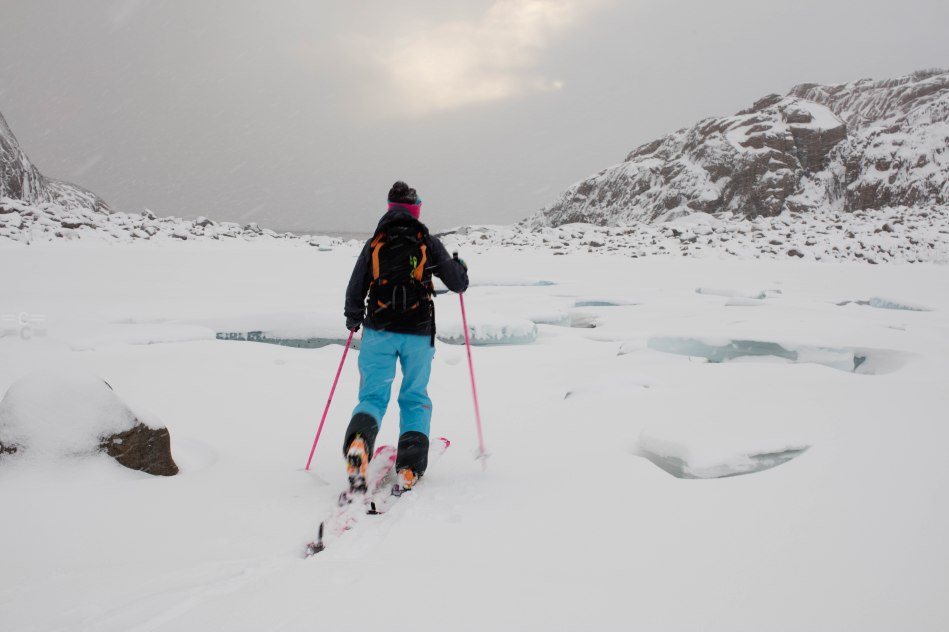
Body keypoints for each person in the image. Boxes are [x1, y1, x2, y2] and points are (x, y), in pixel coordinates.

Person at [342, 181, 468, 494]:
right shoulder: (426, 240)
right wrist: (460, 269)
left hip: (379, 330)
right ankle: (410, 467)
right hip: (418, 331)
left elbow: (357, 285)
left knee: (372, 397)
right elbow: (456, 283)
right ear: (415, 209)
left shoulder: (376, 241)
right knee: (414, 397)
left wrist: (353, 317)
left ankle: (359, 444)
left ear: (389, 209)